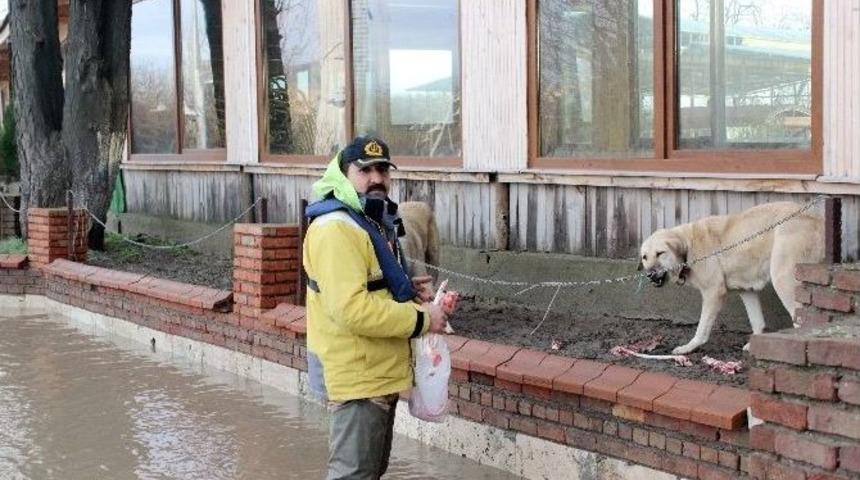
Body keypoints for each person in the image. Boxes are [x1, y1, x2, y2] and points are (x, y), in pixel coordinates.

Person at [303, 136, 448, 480]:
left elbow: (367, 286)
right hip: (358, 378)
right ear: (343, 173)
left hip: (375, 373)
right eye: (365, 170)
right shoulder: (336, 229)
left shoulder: (365, 219)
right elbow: (352, 309)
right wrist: (422, 320)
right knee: (354, 475)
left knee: (368, 472)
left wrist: (405, 289)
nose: (376, 178)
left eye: (383, 170)